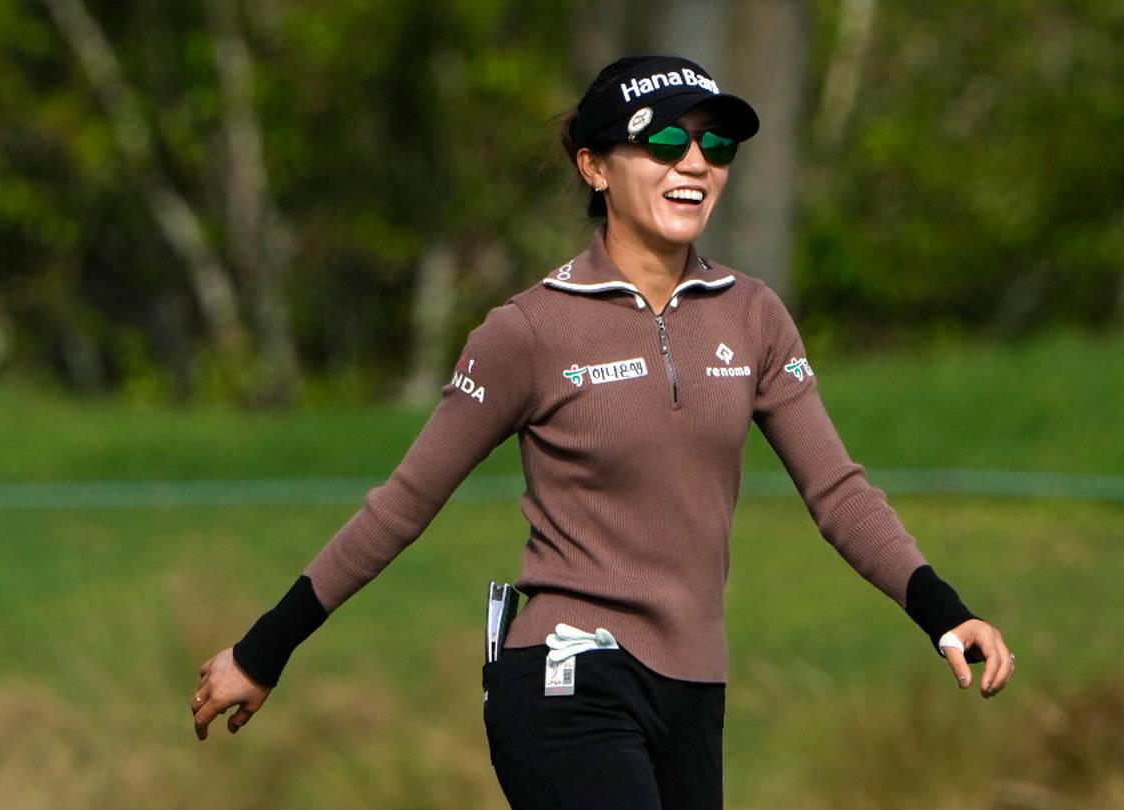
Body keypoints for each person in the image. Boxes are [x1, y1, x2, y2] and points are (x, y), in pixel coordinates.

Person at [190, 54, 1015, 809]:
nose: (693, 162)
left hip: (695, 688)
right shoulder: (529, 331)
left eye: (714, 143)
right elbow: (402, 505)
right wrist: (265, 649)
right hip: (565, 675)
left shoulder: (754, 315)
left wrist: (944, 612)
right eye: (661, 140)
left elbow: (838, 492)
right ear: (594, 166)